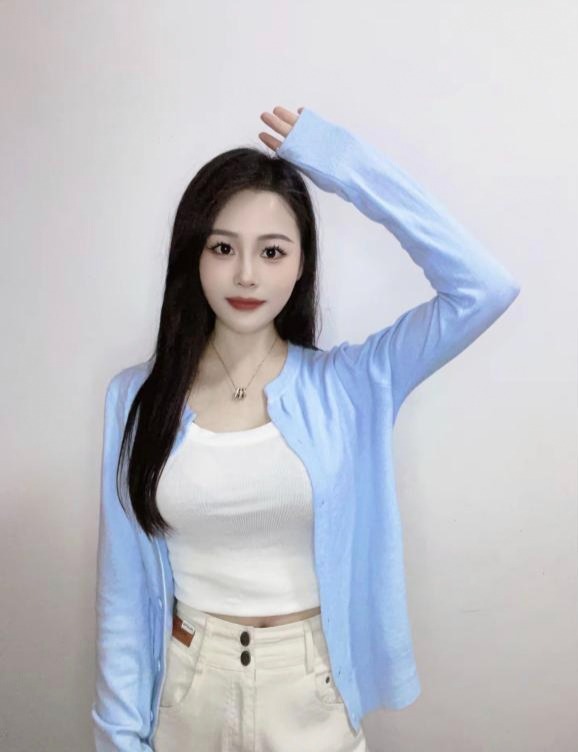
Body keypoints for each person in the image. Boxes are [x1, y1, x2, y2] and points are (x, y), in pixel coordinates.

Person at [91, 105, 520, 751]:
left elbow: (484, 287)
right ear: (193, 257)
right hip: (185, 694)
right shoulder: (135, 397)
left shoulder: (351, 385)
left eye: (272, 251)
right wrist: (120, 739)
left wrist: (341, 161)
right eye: (222, 248)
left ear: (301, 265)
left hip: (312, 695)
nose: (246, 275)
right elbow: (123, 595)